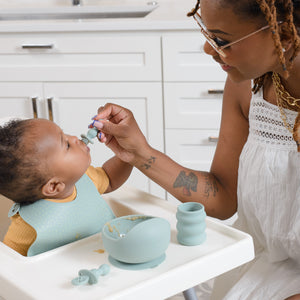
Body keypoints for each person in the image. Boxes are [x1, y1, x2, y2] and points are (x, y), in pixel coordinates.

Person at [90, 0, 300, 299]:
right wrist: (138, 152)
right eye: (207, 34)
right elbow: (223, 197)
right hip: (257, 265)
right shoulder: (247, 87)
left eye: (221, 40)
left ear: (286, 36)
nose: (208, 49)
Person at [0, 118, 132, 256]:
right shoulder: (28, 227)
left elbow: (109, 179)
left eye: (65, 134)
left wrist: (127, 154)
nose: (75, 138)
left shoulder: (85, 179)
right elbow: (9, 264)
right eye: (67, 145)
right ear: (54, 186)